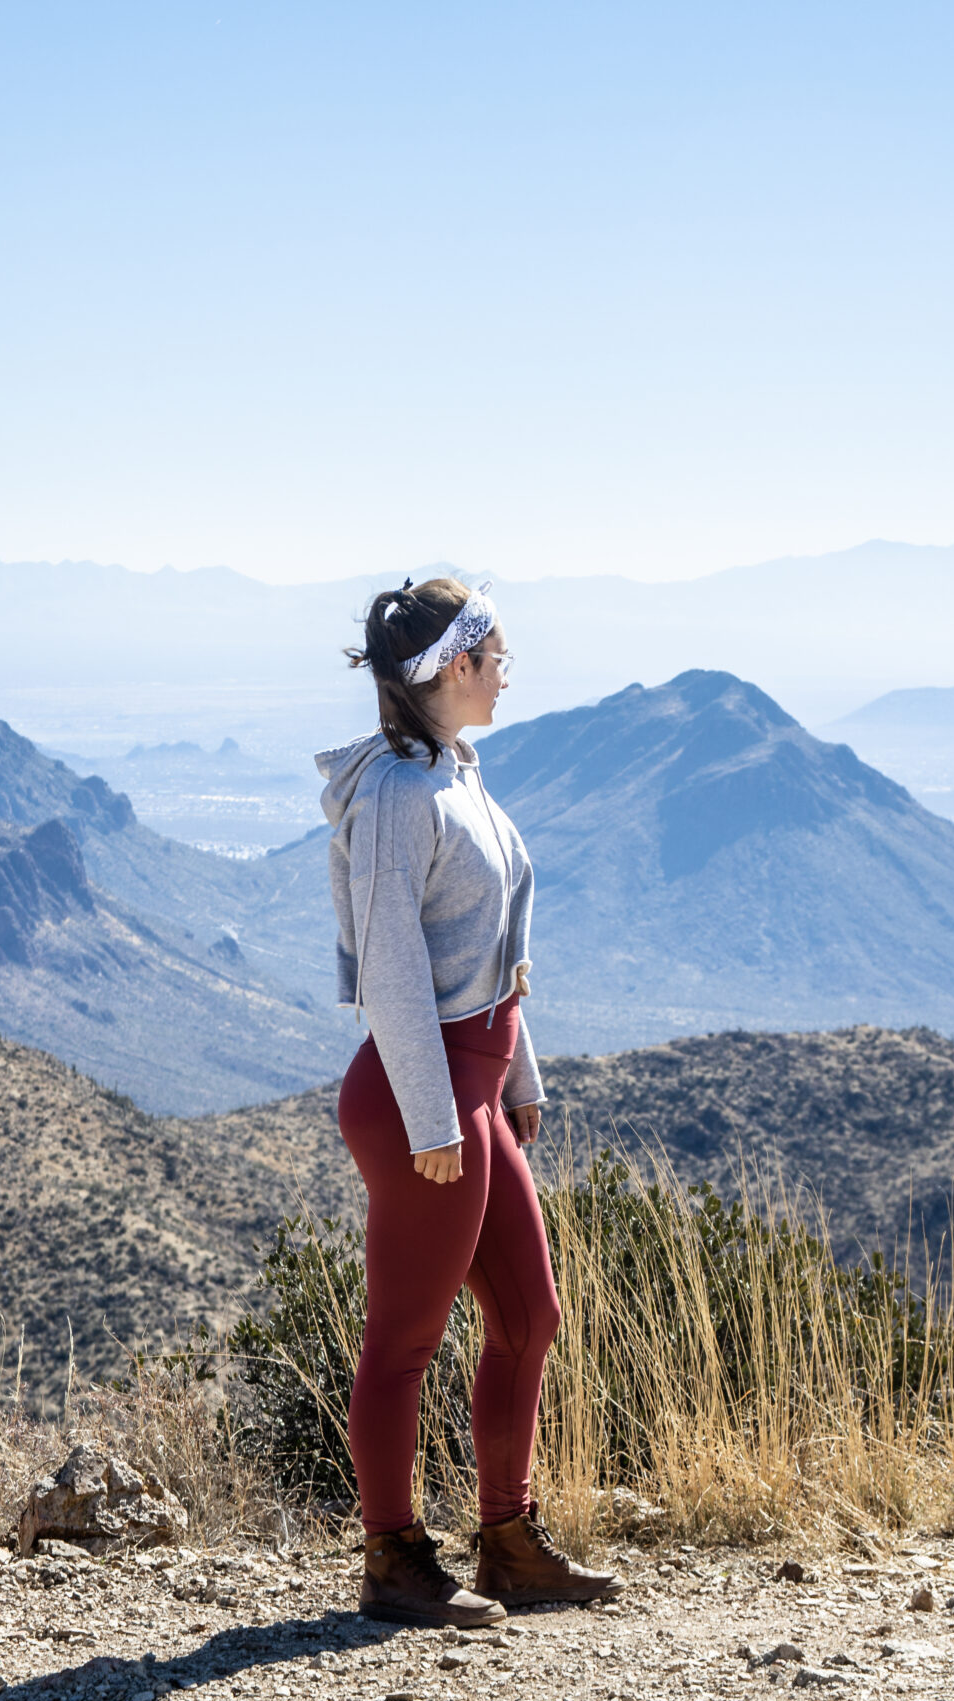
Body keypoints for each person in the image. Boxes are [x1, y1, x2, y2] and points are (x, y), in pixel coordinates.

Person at [315, 576, 622, 1627]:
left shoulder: (452, 772)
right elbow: (396, 969)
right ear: (456, 667)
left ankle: (507, 1544)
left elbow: (488, 958)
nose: (506, 671)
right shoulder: (402, 796)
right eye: (496, 656)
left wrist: (515, 1078)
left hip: (472, 1090)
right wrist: (438, 1119)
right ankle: (393, 1561)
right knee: (402, 1341)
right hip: (421, 1099)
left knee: (530, 1316)